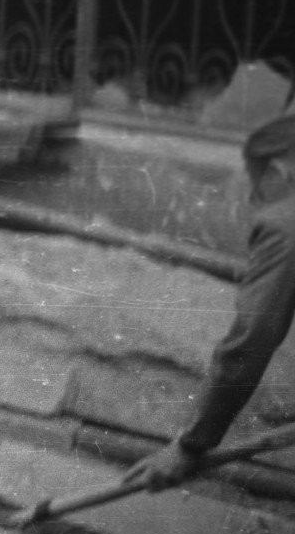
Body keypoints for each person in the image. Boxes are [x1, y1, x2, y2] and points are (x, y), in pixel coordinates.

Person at [126, 112, 295, 490]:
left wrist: (190, 445)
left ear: (279, 172)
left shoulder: (286, 224)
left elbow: (252, 338)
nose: (254, 199)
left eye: (257, 184)